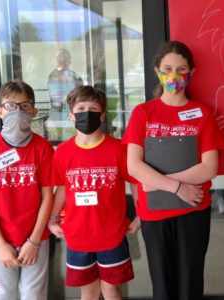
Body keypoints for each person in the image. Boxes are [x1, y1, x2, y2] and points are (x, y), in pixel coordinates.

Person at [123, 40, 224, 300]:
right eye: (167, 68)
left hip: (193, 210)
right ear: (157, 71)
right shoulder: (143, 112)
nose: (175, 75)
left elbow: (210, 167)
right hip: (154, 214)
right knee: (163, 286)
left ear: (191, 73)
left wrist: (157, 181)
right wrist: (176, 187)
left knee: (190, 284)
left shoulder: (202, 113)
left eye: (181, 69)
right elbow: (133, 165)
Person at [48, 86, 139, 300]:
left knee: (111, 291)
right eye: (80, 108)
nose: (86, 112)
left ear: (102, 114)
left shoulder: (118, 148)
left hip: (112, 234)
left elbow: (135, 181)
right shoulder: (62, 152)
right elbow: (61, 188)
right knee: (88, 292)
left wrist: (141, 213)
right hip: (78, 235)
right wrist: (52, 219)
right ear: (71, 115)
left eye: (92, 108)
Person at [0, 81, 53, 299]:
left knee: (33, 295)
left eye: (24, 106)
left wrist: (34, 241)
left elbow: (47, 197)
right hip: (0, 239)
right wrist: (1, 243)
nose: (17, 112)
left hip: (36, 238)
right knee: (3, 294)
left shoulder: (43, 149)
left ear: (33, 112)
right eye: (10, 106)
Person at [47, 48, 83, 141]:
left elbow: (81, 91)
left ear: (69, 59)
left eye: (64, 57)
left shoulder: (74, 75)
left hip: (72, 109)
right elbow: (53, 94)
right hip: (57, 111)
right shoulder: (52, 76)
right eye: (59, 57)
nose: (61, 59)